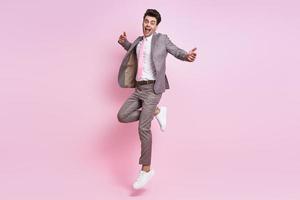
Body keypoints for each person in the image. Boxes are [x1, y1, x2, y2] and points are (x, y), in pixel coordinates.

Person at [117, 9, 197, 189]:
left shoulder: (162, 39)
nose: (148, 25)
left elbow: (176, 51)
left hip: (153, 89)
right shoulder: (138, 41)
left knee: (143, 128)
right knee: (122, 116)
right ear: (143, 22)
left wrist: (186, 56)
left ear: (156, 25)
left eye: (152, 22)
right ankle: (156, 111)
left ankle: (146, 170)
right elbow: (136, 51)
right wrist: (124, 43)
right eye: (146, 21)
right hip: (139, 88)